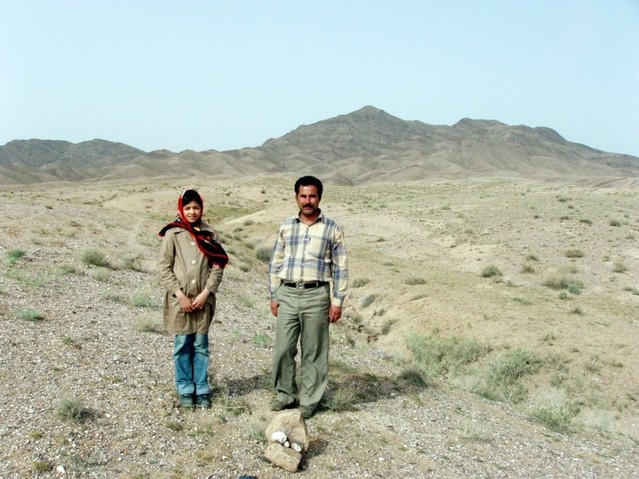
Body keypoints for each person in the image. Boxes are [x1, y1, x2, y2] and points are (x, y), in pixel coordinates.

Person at [268, 175, 348, 419]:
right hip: (288, 293)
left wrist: (337, 301)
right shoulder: (286, 227)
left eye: (312, 196)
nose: (307, 201)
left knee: (313, 352)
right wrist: (274, 294)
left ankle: (309, 401)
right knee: (284, 348)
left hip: (317, 295)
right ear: (296, 198)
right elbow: (276, 262)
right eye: (303, 196)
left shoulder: (332, 229)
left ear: (319, 198)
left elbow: (341, 267)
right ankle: (285, 394)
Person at [158, 189, 228, 410]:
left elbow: (218, 265)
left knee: (201, 346)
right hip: (180, 302)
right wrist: (179, 295)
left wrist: (206, 292)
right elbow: (164, 268)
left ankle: (202, 388)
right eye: (187, 208)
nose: (192, 212)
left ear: (202, 209)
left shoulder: (210, 233)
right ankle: (185, 388)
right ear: (181, 209)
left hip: (203, 301)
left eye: (196, 207)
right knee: (182, 345)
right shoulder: (173, 234)